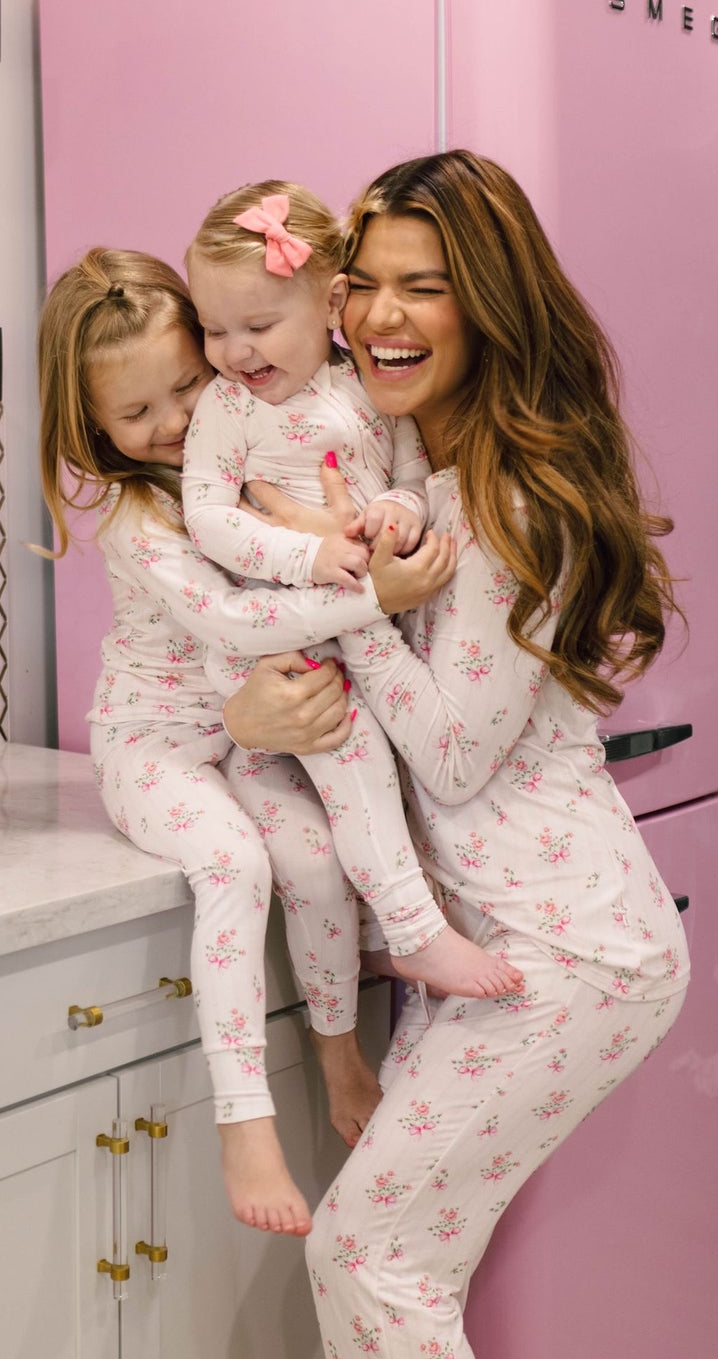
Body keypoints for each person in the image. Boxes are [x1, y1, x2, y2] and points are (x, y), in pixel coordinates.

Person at [255, 151, 690, 1359]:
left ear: (487, 302)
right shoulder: (430, 459)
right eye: (364, 274)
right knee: (377, 1268)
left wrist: (346, 598)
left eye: (420, 281)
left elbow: (444, 755)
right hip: (503, 953)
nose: (375, 310)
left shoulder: (509, 494)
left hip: (569, 957)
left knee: (376, 1263)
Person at [35, 247, 501, 1236]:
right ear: (90, 429)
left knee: (316, 855)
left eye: (183, 386)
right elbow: (235, 624)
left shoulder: (242, 450)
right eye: (134, 414)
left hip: (250, 726)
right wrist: (381, 592)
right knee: (236, 864)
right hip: (156, 744)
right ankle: (242, 1120)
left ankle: (336, 1053)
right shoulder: (135, 514)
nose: (168, 423)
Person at [183, 179, 516, 1007]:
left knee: (382, 781)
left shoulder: (367, 386)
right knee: (356, 764)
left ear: (329, 302)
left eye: (258, 326)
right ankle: (412, 932)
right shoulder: (226, 408)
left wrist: (396, 515)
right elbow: (208, 518)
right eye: (213, 329)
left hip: (358, 619)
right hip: (282, 631)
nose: (235, 351)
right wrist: (309, 554)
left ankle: (376, 935)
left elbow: (407, 474)